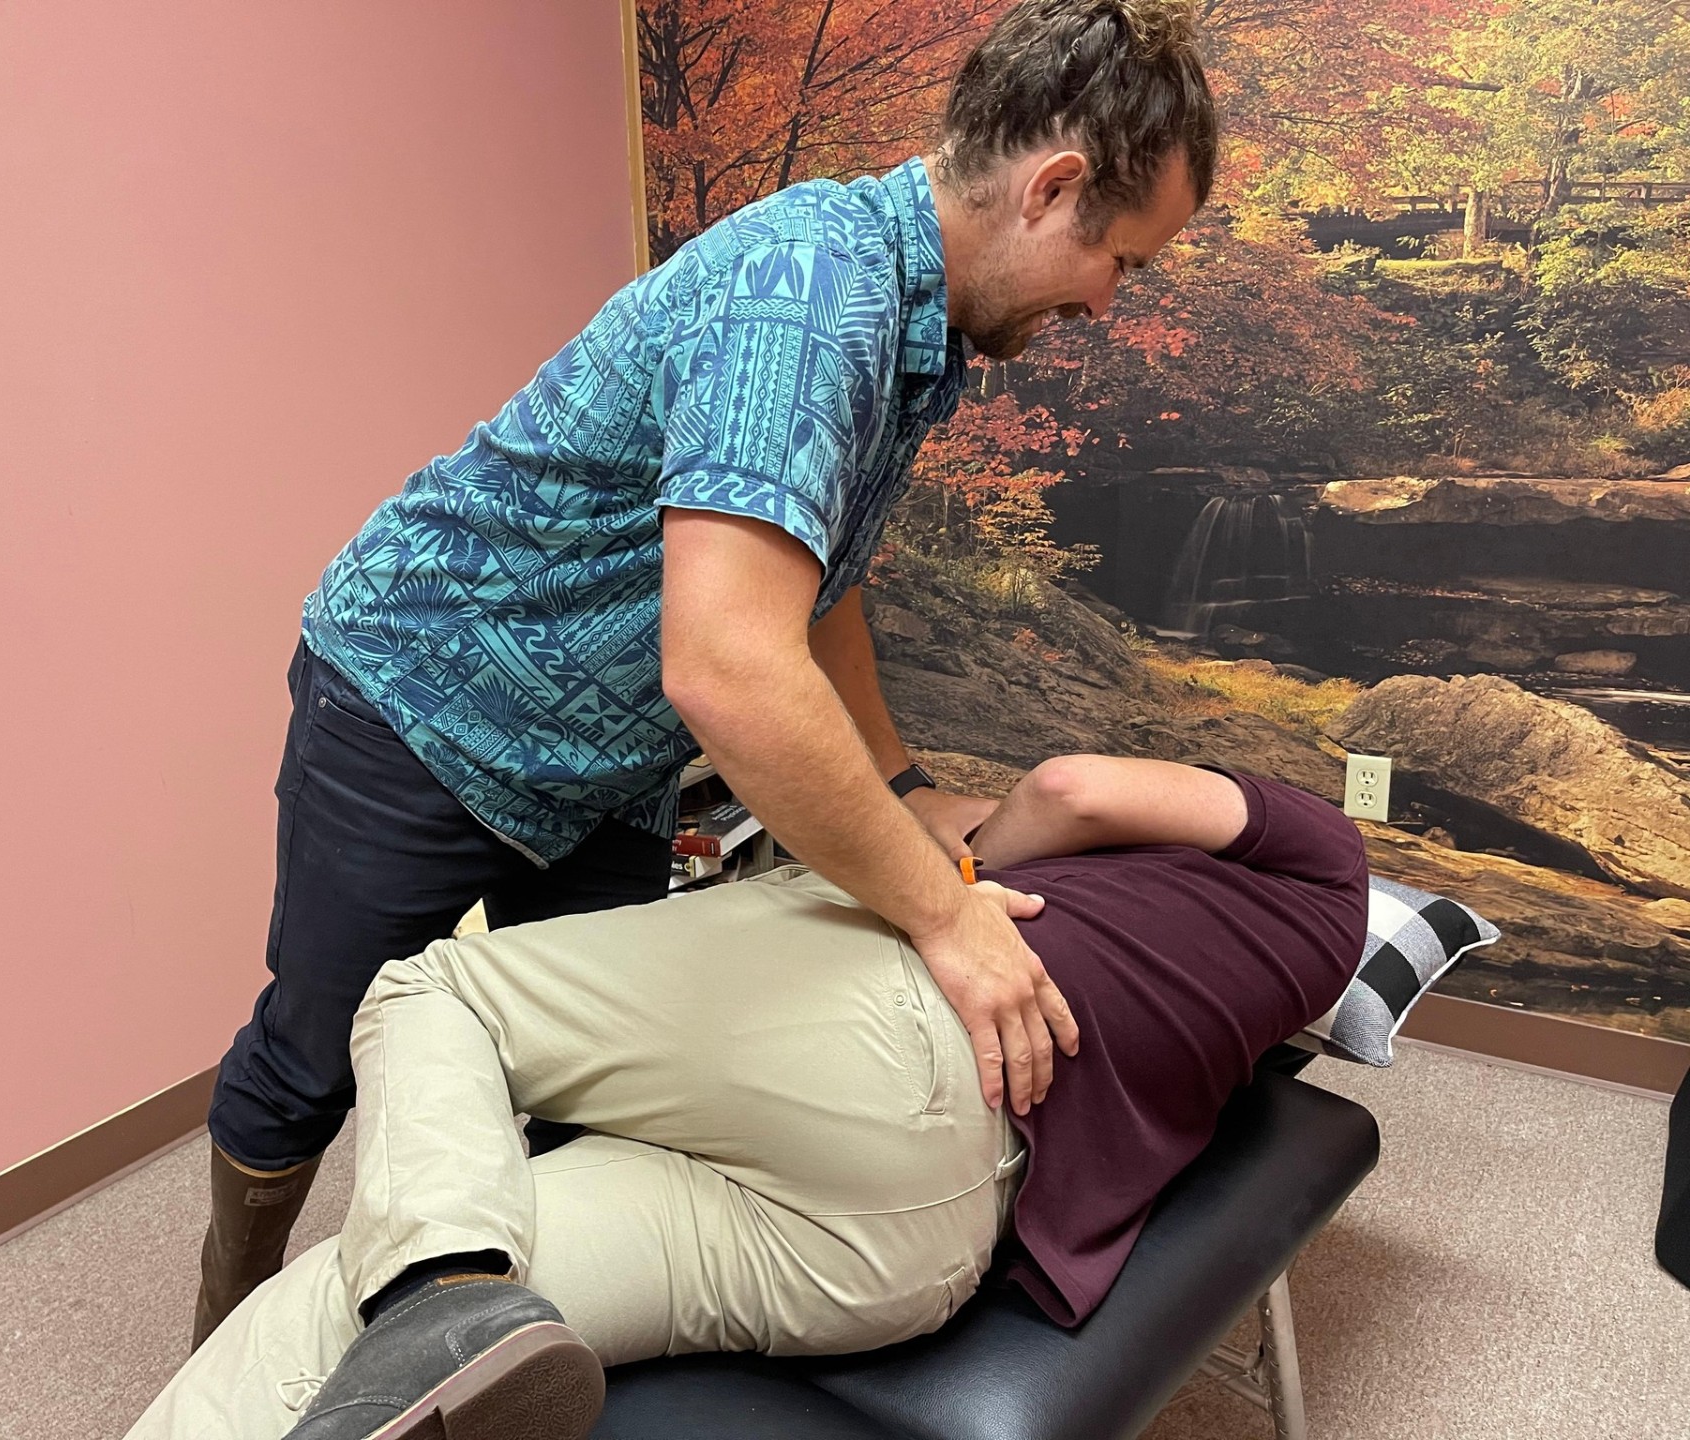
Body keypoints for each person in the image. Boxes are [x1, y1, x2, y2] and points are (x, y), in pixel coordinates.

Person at [192, 0, 1223, 1352]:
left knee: (601, 1072)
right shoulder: (809, 300)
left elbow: (815, 585)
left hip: (605, 759)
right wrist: (946, 917)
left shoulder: (914, 329)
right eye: (1122, 262)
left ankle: (518, 1348)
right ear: (1054, 189)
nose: (1105, 302)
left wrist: (904, 786)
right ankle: (223, 1332)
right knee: (314, 1053)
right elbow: (732, 670)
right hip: (425, 703)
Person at [127, 756, 1368, 1440]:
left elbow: (1072, 790)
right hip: (909, 1253)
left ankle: (440, 1294)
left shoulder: (1324, 850)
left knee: (434, 991)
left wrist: (968, 870)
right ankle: (435, 1305)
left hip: (899, 1040)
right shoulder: (1274, 988)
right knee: (339, 1307)